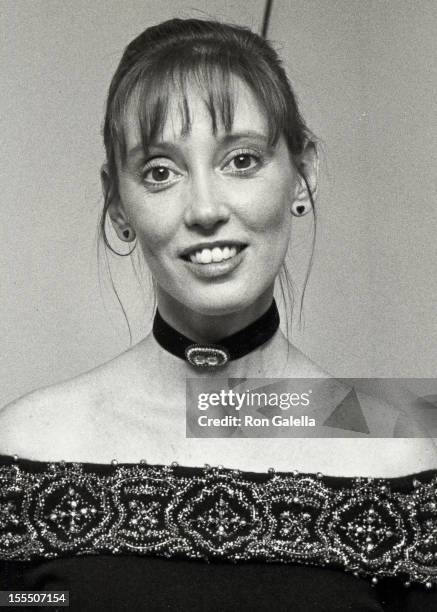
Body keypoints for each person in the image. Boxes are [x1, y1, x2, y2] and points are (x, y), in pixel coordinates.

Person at [1, 17, 436, 612]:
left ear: (301, 174)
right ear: (118, 203)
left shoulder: (401, 452)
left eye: (242, 160)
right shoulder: (29, 446)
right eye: (161, 171)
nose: (205, 208)